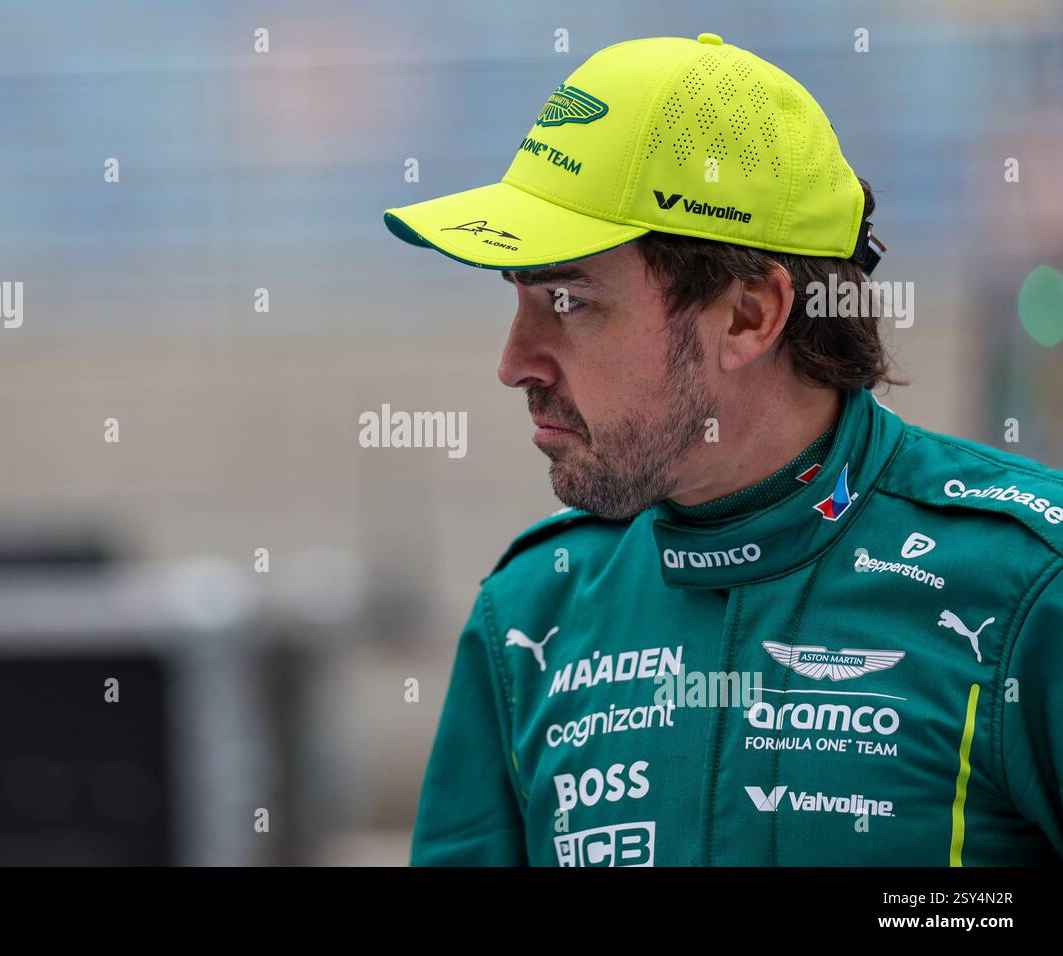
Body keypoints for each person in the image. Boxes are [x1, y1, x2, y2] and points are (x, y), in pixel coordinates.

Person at [383, 33, 1063, 866]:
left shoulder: (1030, 590)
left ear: (748, 316)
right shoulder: (530, 613)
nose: (514, 362)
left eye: (567, 300)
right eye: (519, 296)